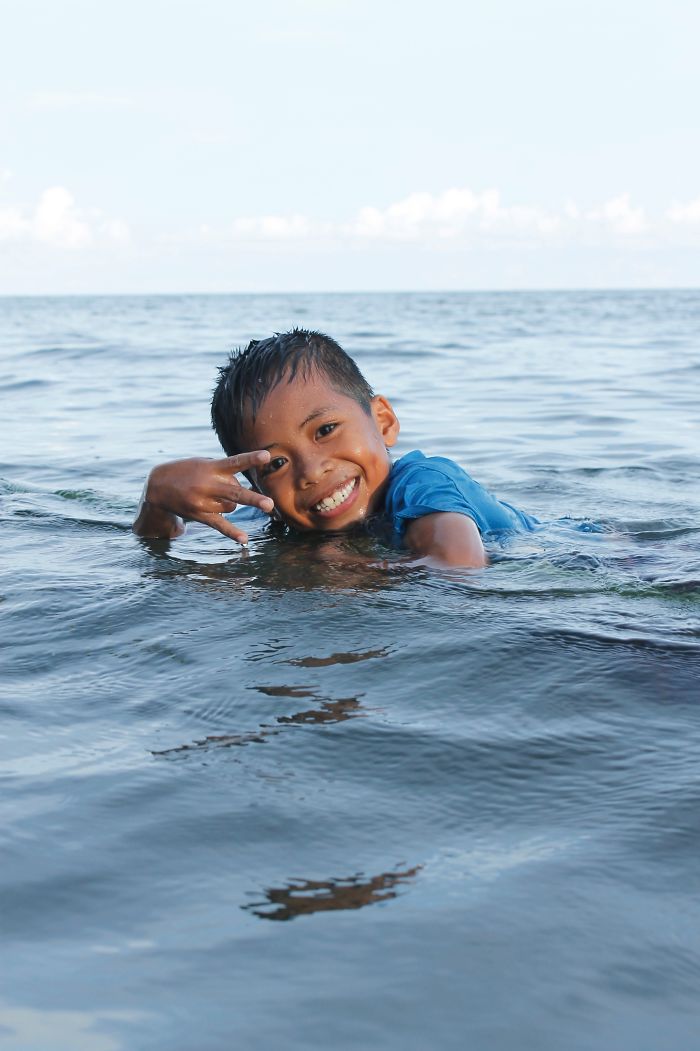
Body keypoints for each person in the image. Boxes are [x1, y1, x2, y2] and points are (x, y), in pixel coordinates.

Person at [133, 329, 537, 568]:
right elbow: (162, 543)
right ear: (254, 488)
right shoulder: (280, 518)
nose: (311, 471)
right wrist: (157, 502)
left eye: (325, 430)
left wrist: (355, 570)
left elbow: (458, 567)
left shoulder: (425, 484)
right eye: (276, 463)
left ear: (383, 422)